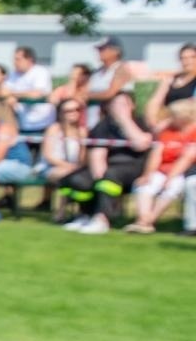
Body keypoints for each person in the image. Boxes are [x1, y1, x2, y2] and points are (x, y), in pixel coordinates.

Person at [60, 90, 154, 234]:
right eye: (115, 104)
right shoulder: (103, 126)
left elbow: (141, 144)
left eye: (123, 104)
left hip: (133, 166)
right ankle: (86, 214)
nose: (118, 107)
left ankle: (102, 219)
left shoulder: (140, 122)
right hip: (108, 165)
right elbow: (97, 154)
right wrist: (98, 176)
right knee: (75, 179)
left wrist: (124, 120)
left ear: (132, 106)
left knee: (110, 176)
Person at [124, 98, 196, 233]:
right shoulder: (168, 131)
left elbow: (187, 158)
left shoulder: (194, 132)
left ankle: (149, 220)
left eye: (174, 115)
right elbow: (156, 154)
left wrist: (170, 177)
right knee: (144, 185)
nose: (171, 118)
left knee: (172, 187)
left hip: (182, 172)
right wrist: (147, 174)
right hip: (161, 169)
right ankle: (142, 220)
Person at [40, 98, 89, 221]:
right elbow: (48, 155)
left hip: (75, 168)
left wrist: (77, 166)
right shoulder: (54, 129)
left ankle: (82, 211)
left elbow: (83, 158)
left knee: (78, 177)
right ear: (61, 113)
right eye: (68, 111)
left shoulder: (83, 132)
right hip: (51, 167)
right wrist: (68, 166)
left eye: (76, 110)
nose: (73, 113)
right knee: (67, 176)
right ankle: (60, 213)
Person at [144, 42, 196, 129]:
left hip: (188, 122)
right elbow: (156, 100)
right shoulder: (170, 79)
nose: (188, 61)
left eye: (192, 57)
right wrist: (152, 119)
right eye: (183, 58)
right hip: (167, 119)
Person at [6, 45, 54, 134]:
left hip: (42, 123)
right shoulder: (13, 75)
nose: (14, 62)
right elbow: (5, 92)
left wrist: (14, 95)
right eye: (14, 59)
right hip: (21, 123)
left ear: (29, 60)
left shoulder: (40, 72)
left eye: (18, 59)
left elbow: (38, 93)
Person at [85, 36, 131, 115]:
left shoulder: (121, 69)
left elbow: (110, 93)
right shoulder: (96, 72)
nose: (99, 52)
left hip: (111, 117)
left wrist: (87, 95)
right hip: (92, 116)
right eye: (99, 49)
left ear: (115, 51)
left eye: (103, 49)